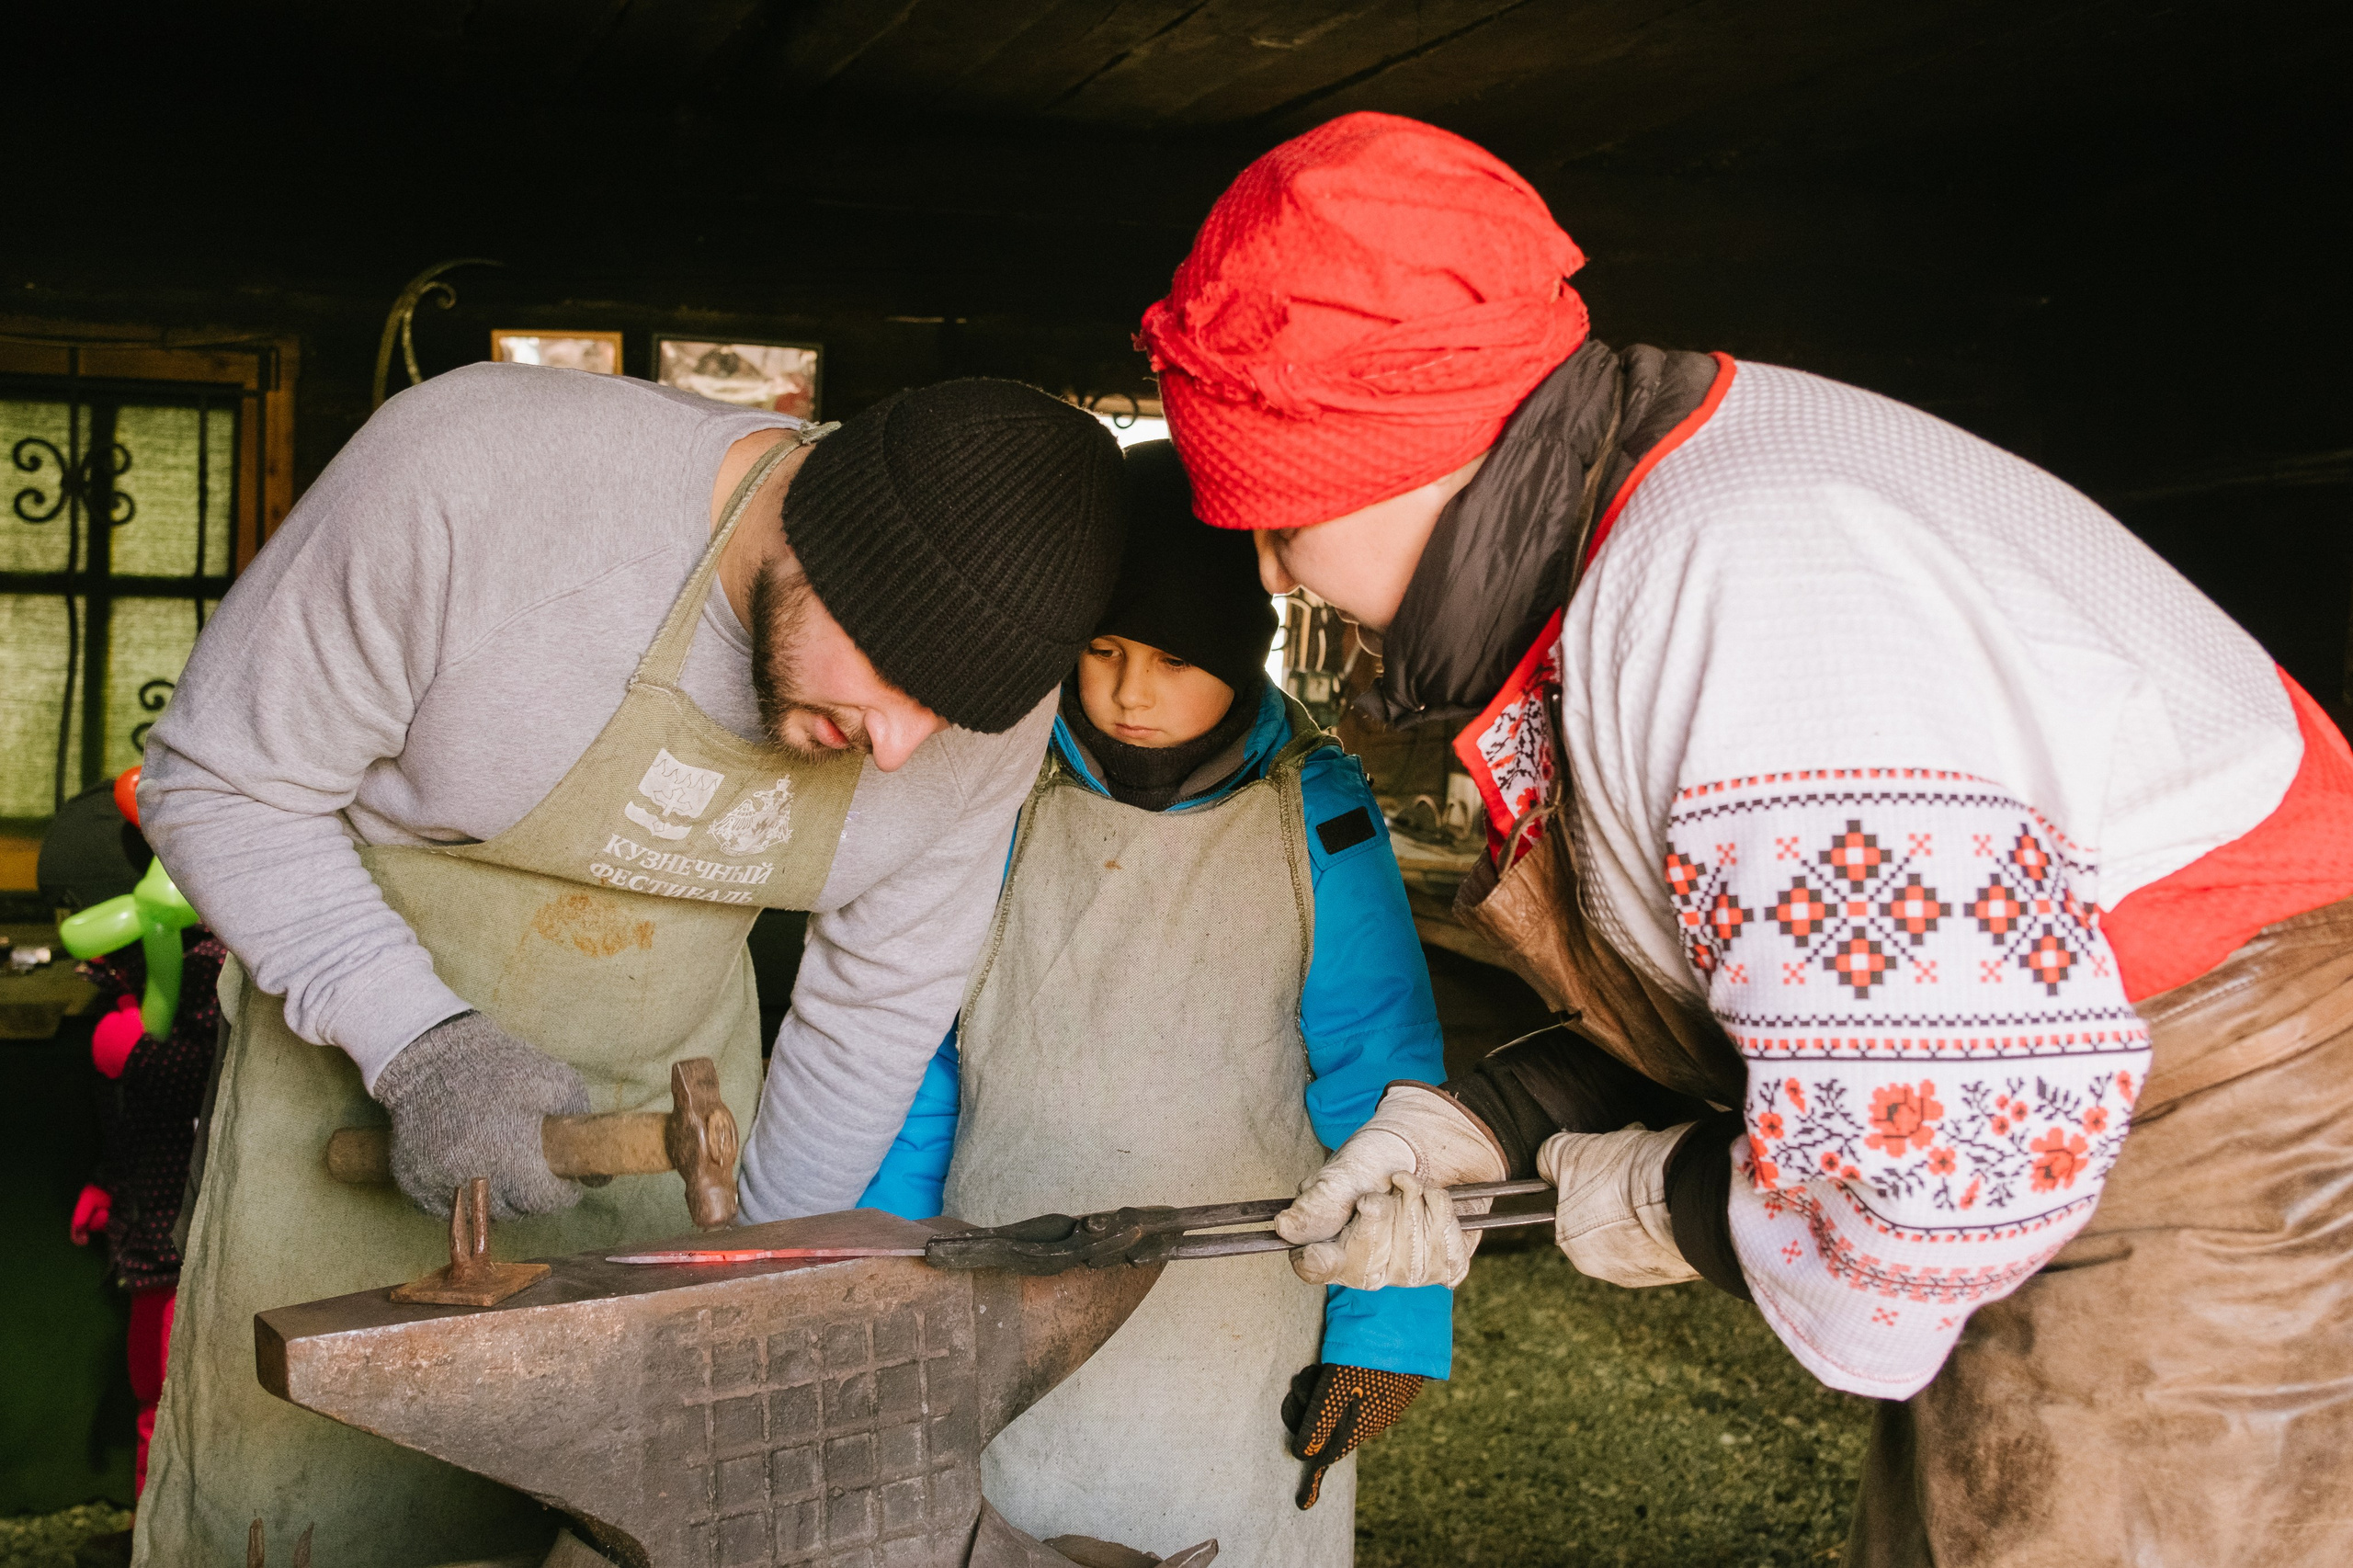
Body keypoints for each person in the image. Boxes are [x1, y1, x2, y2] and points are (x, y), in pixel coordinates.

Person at [1134, 111, 2353, 1564]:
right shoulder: (1645, 511)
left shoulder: (1738, 591)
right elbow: (1784, 968)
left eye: (1278, 513)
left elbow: (1947, 1162)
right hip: (2086, 1100)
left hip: (2218, 1136)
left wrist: (1667, 1198)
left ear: (1399, 445)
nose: (1274, 570)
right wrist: (1489, 1124)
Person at [132, 368, 1125, 1568]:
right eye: (896, 675)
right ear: (817, 528)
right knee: (304, 1521)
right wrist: (415, 1039)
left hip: (669, 1148)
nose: (903, 747)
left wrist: (757, 1273)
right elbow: (221, 781)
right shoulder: (478, 482)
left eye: (951, 714)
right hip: (351, 1103)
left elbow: (883, 994)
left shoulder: (976, 707)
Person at [858, 440, 1450, 1563]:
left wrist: (1391, 1327)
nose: (1131, 692)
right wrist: (880, 1270)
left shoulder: (1316, 814)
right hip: (1002, 1294)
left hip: (1235, 1316)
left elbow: (1388, 1084)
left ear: (1243, 649)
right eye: (1103, 649)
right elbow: (927, 1066)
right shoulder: (1007, 791)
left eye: (1176, 659)